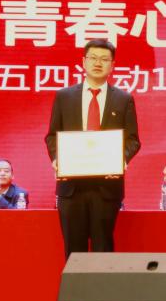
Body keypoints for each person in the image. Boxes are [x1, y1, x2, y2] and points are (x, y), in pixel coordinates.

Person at [45, 39, 140, 256]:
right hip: (71, 187)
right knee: (73, 251)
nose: (98, 63)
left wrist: (121, 161)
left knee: (103, 250)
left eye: (104, 59)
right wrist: (57, 159)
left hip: (106, 187)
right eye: (93, 58)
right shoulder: (64, 96)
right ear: (83, 61)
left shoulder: (123, 99)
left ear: (112, 65)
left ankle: (103, 282)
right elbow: (52, 136)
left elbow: (133, 140)